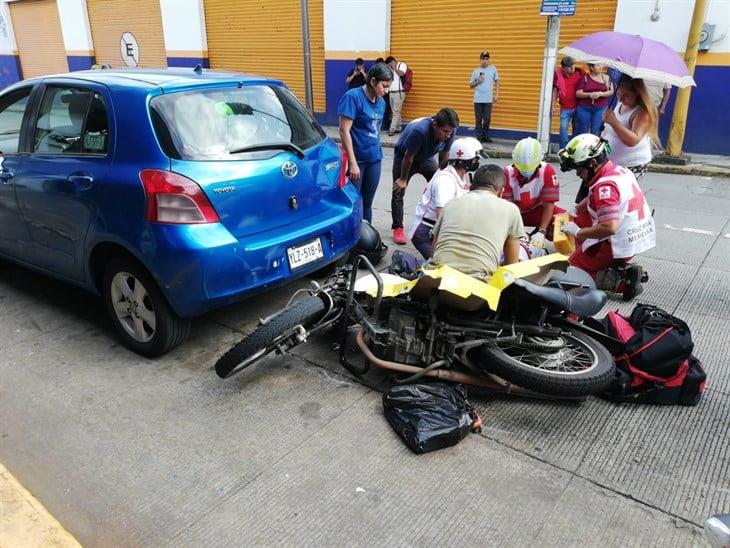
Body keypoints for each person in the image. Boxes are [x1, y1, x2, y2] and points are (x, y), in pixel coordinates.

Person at [558, 134, 655, 300]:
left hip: (617, 244)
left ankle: (621, 281)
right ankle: (595, 261)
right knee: (578, 217)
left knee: (569, 275)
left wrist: (579, 232)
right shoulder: (618, 170)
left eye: (579, 169)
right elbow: (595, 196)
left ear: (592, 163)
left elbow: (609, 227)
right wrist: (577, 209)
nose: (578, 174)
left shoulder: (606, 187)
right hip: (634, 236)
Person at [430, 164, 524, 281]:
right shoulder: (511, 209)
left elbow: (434, 250)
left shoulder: (450, 204)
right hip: (478, 286)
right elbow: (511, 264)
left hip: (435, 279)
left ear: (470, 186)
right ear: (501, 192)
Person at [390, 108, 459, 244]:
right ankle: (397, 227)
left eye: (450, 132)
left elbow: (444, 154)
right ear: (435, 125)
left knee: (443, 187)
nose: (447, 135)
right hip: (405, 157)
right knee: (398, 190)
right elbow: (408, 157)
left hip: (426, 157)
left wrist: (443, 174)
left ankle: (437, 225)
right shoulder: (419, 131)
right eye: (445, 131)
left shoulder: (450, 131)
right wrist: (403, 179)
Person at [408, 137, 485, 259]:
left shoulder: (462, 174)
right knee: (447, 267)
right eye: (476, 159)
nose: (477, 162)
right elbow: (442, 218)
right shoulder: (445, 181)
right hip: (427, 233)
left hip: (442, 228)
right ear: (464, 160)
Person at [337, 63, 393, 223]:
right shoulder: (352, 97)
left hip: (374, 158)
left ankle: (367, 239)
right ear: (373, 81)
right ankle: (353, 240)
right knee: (355, 203)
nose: (386, 91)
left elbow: (374, 131)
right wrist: (352, 163)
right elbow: (344, 131)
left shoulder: (381, 102)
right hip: (357, 161)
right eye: (384, 86)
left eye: (388, 87)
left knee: (368, 204)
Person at [502, 137, 565, 250]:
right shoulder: (506, 172)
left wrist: (542, 231)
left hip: (537, 211)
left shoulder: (547, 171)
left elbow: (549, 204)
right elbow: (507, 209)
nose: (525, 171)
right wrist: (519, 233)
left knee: (564, 219)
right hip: (516, 214)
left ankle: (561, 251)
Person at [602, 76, 659, 182]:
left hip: (631, 164)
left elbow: (633, 140)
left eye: (626, 95)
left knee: (621, 195)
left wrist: (614, 122)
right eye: (619, 94)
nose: (621, 99)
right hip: (612, 162)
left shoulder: (642, 111)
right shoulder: (621, 103)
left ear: (637, 93)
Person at [469, 51, 500, 143]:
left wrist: (496, 94)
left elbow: (497, 81)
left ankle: (485, 136)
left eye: (487, 59)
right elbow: (471, 85)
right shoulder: (476, 71)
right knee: (478, 119)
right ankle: (479, 137)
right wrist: (478, 81)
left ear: (488, 60)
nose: (485, 61)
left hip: (488, 99)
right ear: (480, 60)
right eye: (483, 59)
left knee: (487, 118)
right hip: (478, 99)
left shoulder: (493, 69)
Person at [552, 56, 582, 149]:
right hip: (565, 108)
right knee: (563, 128)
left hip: (578, 107)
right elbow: (555, 91)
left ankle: (573, 148)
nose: (573, 68)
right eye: (570, 67)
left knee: (576, 129)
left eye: (573, 66)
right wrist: (552, 106)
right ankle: (564, 148)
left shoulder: (579, 72)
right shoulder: (558, 75)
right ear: (564, 68)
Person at [575, 63, 612, 136]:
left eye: (601, 65)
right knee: (583, 131)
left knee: (596, 131)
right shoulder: (584, 78)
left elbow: (610, 91)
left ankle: (593, 147)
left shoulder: (605, 77)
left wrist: (600, 94)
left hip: (600, 108)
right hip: (584, 108)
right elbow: (578, 93)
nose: (600, 67)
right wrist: (590, 95)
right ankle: (583, 147)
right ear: (591, 67)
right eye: (598, 65)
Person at [385, 55, 408, 136]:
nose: (389, 67)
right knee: (396, 111)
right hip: (391, 93)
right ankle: (398, 128)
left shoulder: (402, 65)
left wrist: (394, 68)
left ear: (392, 62)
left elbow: (402, 74)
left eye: (389, 65)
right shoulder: (390, 69)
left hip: (399, 92)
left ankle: (392, 130)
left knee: (395, 112)